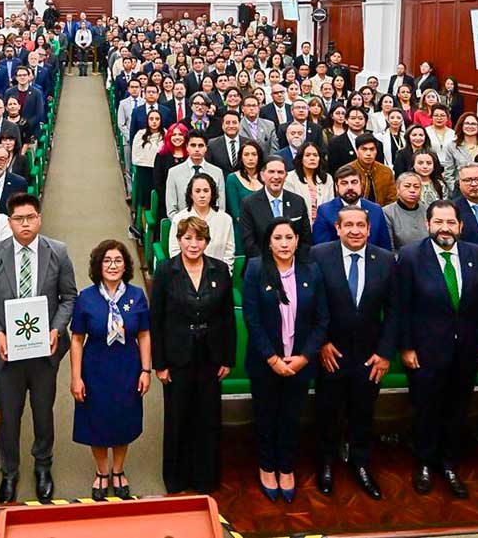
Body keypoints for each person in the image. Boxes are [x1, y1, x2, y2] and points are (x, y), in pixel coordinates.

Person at [0, 193, 78, 504]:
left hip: (44, 352)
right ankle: (9, 472)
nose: (26, 224)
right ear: (10, 222)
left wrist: (57, 329)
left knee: (43, 413)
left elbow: (69, 297)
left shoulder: (58, 251)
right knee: (10, 415)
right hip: (7, 354)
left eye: (31, 217)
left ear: (39, 219)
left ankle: (43, 466)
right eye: (19, 219)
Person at [398, 200, 478, 499]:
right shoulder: (411, 256)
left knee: (457, 410)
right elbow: (402, 306)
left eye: (451, 222)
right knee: (426, 410)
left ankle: (450, 463)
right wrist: (406, 347)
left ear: (460, 226)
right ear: (427, 224)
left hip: (467, 350)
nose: (445, 228)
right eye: (439, 222)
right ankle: (424, 463)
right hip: (426, 351)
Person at [310, 207, 397, 499]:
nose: (355, 230)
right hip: (330, 354)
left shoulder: (385, 260)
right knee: (327, 413)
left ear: (369, 229)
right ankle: (325, 463)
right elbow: (310, 304)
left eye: (361, 225)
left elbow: (395, 311)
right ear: (337, 228)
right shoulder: (319, 255)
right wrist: (321, 342)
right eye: (348, 225)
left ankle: (360, 464)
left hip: (369, 357)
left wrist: (385, 353)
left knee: (363, 413)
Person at [242, 218, 327, 503]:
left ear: (297, 241)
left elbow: (322, 320)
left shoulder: (312, 270)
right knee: (266, 416)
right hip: (265, 362)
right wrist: (272, 358)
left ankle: (286, 467)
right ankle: (267, 467)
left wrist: (304, 357)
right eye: (277, 238)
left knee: (291, 417)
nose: (284, 244)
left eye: (289, 237)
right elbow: (252, 318)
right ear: (269, 242)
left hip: (300, 363)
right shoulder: (256, 269)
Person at [150, 216, 236, 494]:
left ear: (207, 242)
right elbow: (156, 319)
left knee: (207, 418)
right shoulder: (166, 271)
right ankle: (176, 479)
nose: (193, 244)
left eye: (199, 239)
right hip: (177, 357)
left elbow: (227, 318)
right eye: (187, 238)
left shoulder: (220, 270)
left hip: (211, 355)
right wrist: (159, 363)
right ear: (178, 240)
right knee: (178, 418)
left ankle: (205, 478)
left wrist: (227, 358)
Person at [70, 240, 151, 500]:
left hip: (127, 368)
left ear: (126, 265)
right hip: (94, 370)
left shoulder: (137, 296)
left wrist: (146, 370)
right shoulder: (86, 297)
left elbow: (144, 334)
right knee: (96, 421)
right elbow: (76, 339)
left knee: (122, 420)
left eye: (118, 260)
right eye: (107, 260)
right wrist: (76, 377)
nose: (113, 265)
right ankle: (102, 471)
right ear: (98, 266)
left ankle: (118, 470)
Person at [239, 157, 312, 260]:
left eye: (280, 172)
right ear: (262, 175)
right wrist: (270, 264)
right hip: (261, 264)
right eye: (271, 172)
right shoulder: (249, 203)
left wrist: (291, 262)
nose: (276, 176)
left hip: (294, 263)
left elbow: (306, 239)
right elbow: (248, 243)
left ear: (286, 176)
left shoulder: (298, 202)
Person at [311, 165, 392, 249]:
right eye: (344, 183)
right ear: (336, 187)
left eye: (354, 182)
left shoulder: (375, 210)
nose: (350, 187)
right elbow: (321, 249)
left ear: (361, 185)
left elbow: (385, 248)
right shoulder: (325, 211)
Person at [167, 172, 236, 268]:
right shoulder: (179, 218)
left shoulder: (225, 220)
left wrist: (223, 273)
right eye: (197, 191)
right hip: (185, 273)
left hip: (218, 273)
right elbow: (174, 252)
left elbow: (229, 253)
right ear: (191, 194)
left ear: (212, 193)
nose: (202, 195)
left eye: (206, 191)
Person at [164, 132, 225, 218]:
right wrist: (185, 224)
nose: (197, 149)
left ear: (206, 148)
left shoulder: (217, 172)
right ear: (187, 147)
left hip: (211, 223)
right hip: (183, 223)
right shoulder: (174, 173)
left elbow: (221, 207)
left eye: (200, 146)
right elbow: (171, 210)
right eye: (193, 145)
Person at [284, 142, 333, 224]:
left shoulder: (327, 178)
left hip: (323, 223)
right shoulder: (289, 178)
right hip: (300, 224)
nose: (312, 158)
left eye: (315, 155)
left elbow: (330, 205)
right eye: (307, 155)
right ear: (301, 159)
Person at [384, 172, 429, 249]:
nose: (412, 190)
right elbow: (389, 248)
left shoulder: (428, 210)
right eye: (407, 186)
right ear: (398, 189)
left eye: (416, 187)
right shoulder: (387, 212)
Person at [349, 136, 397, 207]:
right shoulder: (348, 171)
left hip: (382, 211)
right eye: (364, 149)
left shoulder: (386, 172)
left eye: (372, 149)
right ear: (356, 151)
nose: (368, 153)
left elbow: (392, 200)